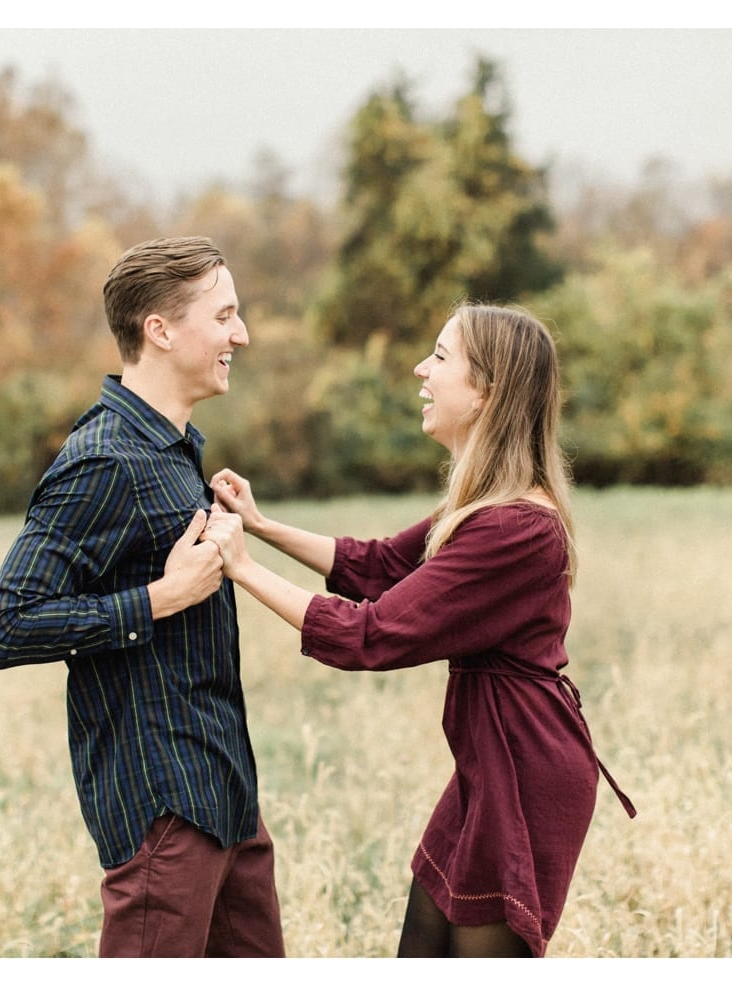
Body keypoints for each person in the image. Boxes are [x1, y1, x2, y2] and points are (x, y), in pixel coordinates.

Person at [200, 302, 635, 958]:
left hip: (525, 774)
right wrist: (262, 527)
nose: (419, 371)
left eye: (438, 357)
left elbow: (370, 637)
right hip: (487, 765)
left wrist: (242, 568)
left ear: (485, 391)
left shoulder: (514, 529)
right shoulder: (484, 508)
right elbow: (378, 565)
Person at [0, 236, 284, 958]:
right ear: (160, 329)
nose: (240, 334)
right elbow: (8, 625)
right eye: (224, 316)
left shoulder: (174, 448)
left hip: (228, 797)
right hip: (163, 810)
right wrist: (161, 597)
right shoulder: (102, 459)